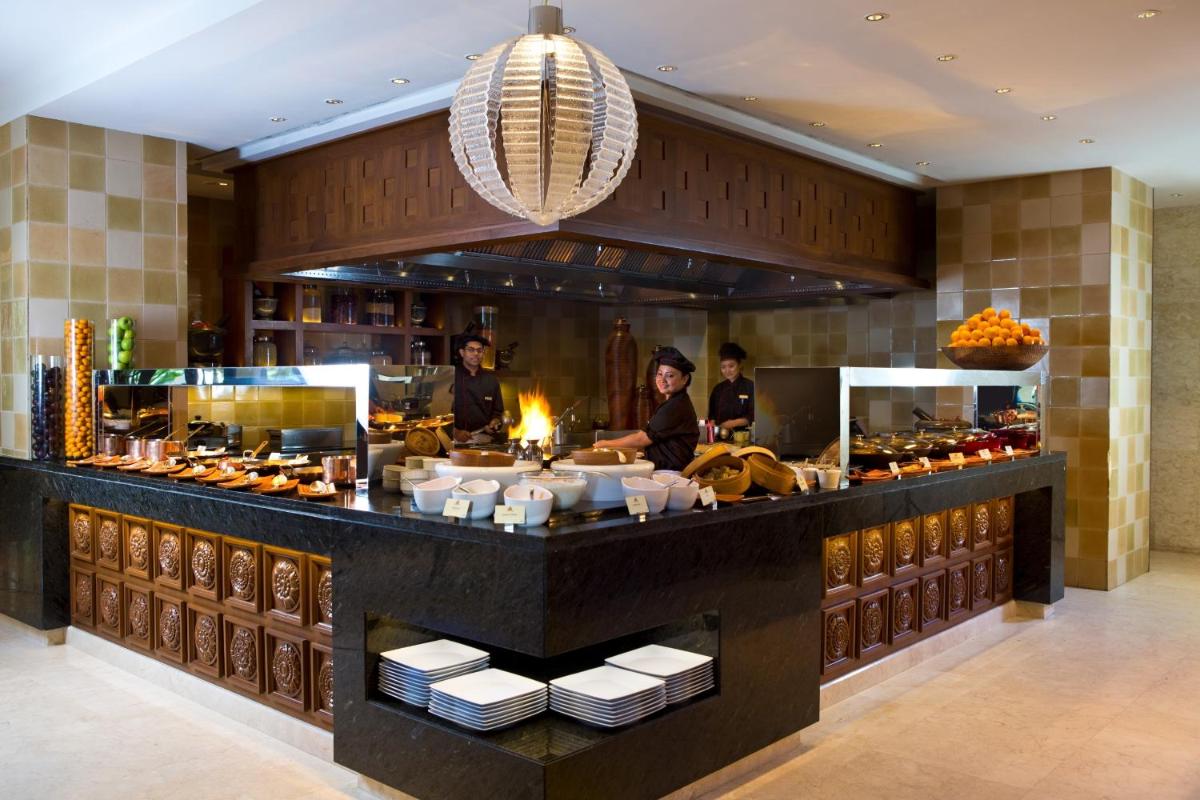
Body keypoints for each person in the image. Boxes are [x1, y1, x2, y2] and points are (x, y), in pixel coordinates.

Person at [595, 346, 699, 472]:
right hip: (666, 472)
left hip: (669, 475)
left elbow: (641, 439)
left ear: (684, 379)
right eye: (660, 374)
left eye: (670, 375)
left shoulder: (675, 406)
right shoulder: (675, 402)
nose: (662, 380)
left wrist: (606, 444)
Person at [452, 334, 505, 443]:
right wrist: (455, 432)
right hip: (453, 439)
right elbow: (438, 413)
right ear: (462, 352)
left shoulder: (491, 380)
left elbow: (498, 412)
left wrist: (495, 422)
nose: (476, 353)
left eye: (479, 350)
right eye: (471, 350)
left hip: (483, 439)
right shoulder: (450, 377)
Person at [707, 342, 755, 437]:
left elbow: (753, 415)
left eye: (731, 366)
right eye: (723, 367)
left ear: (739, 365)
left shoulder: (750, 386)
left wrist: (733, 423)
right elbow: (712, 415)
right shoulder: (718, 389)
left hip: (743, 437)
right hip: (720, 437)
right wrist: (712, 424)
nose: (727, 370)